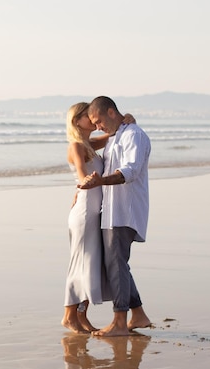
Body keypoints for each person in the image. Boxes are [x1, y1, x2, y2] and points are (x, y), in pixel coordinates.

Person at [79, 96, 152, 337]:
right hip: (110, 212)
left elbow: (130, 171)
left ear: (111, 112)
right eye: (94, 123)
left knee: (116, 264)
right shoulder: (115, 136)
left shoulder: (133, 135)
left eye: (99, 120)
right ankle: (138, 315)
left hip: (125, 210)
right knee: (116, 264)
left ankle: (120, 322)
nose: (98, 126)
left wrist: (101, 181)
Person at [62, 102, 135, 334]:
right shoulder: (76, 146)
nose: (93, 121)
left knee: (91, 265)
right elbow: (83, 176)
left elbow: (113, 133)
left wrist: (127, 119)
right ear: (76, 121)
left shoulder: (90, 144)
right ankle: (68, 317)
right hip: (84, 212)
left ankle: (81, 317)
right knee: (79, 264)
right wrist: (82, 184)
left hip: (95, 211)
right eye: (87, 117)